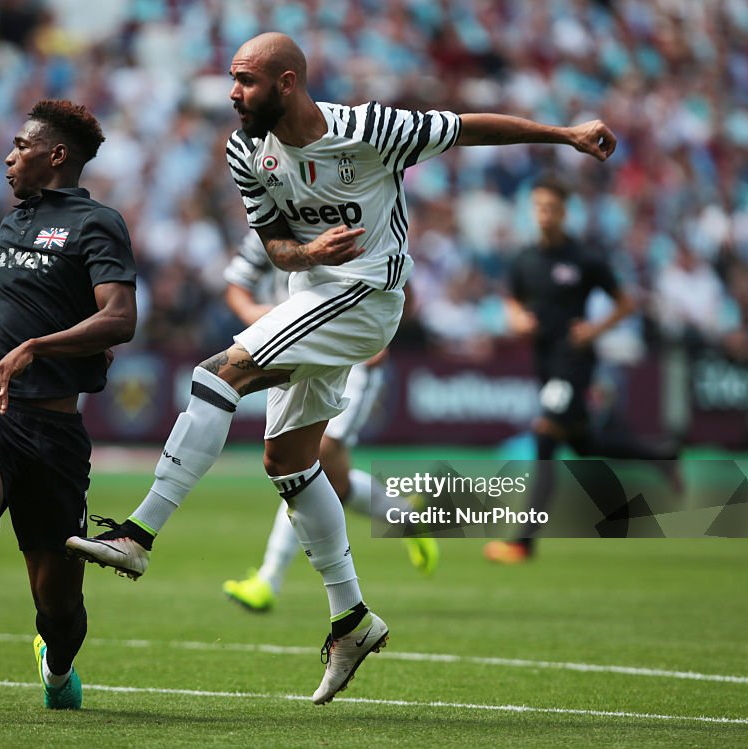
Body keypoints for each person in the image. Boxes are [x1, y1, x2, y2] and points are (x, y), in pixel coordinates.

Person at [66, 32, 616, 705]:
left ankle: (139, 531)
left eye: (245, 80)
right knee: (291, 463)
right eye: (232, 80)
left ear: (288, 82)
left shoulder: (369, 128)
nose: (233, 94)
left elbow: (469, 128)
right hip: (313, 293)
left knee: (216, 374)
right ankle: (352, 618)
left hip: (371, 295)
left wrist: (564, 134)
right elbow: (272, 244)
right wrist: (309, 252)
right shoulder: (247, 149)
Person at [0, 100, 137, 726]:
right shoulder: (12, 222)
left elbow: (121, 318)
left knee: (59, 608)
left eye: (20, 145)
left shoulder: (97, 223)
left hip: (53, 433)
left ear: (56, 156)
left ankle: (57, 666)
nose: (7, 156)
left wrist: (38, 347)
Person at [220, 231, 439, 613]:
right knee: (329, 479)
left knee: (306, 462)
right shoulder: (265, 228)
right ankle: (405, 516)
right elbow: (236, 285)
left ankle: (268, 580)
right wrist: (255, 316)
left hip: (351, 353)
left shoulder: (348, 210)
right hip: (291, 348)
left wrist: (380, 333)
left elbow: (403, 282)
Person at [484, 175, 678, 564]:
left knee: (544, 435)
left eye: (551, 208)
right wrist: (517, 319)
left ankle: (523, 542)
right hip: (544, 362)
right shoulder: (526, 259)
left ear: (564, 212)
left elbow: (626, 302)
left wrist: (594, 329)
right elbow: (512, 301)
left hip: (574, 364)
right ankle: (662, 455)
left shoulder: (584, 259)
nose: (544, 215)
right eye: (539, 207)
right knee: (585, 444)